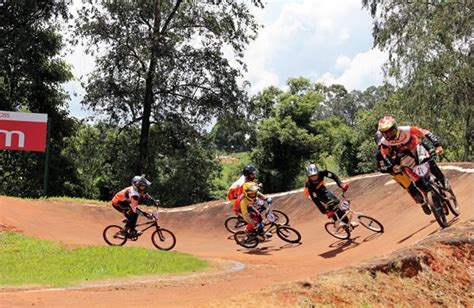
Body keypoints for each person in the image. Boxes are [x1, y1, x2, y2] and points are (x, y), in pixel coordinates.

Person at [377, 115, 448, 215]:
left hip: (416, 147)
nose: (388, 135)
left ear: (395, 127)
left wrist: (437, 145)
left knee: (427, 160)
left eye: (390, 131)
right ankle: (427, 197)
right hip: (405, 156)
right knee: (415, 179)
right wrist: (393, 166)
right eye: (385, 133)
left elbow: (425, 132)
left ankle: (442, 180)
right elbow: (385, 155)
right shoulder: (384, 143)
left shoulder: (406, 129)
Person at [374, 130, 425, 206]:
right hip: (398, 173)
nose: (384, 146)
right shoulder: (380, 155)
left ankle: (429, 191)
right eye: (381, 145)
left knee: (421, 175)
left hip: (407, 163)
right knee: (410, 187)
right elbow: (381, 168)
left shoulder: (396, 144)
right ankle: (422, 202)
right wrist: (391, 169)